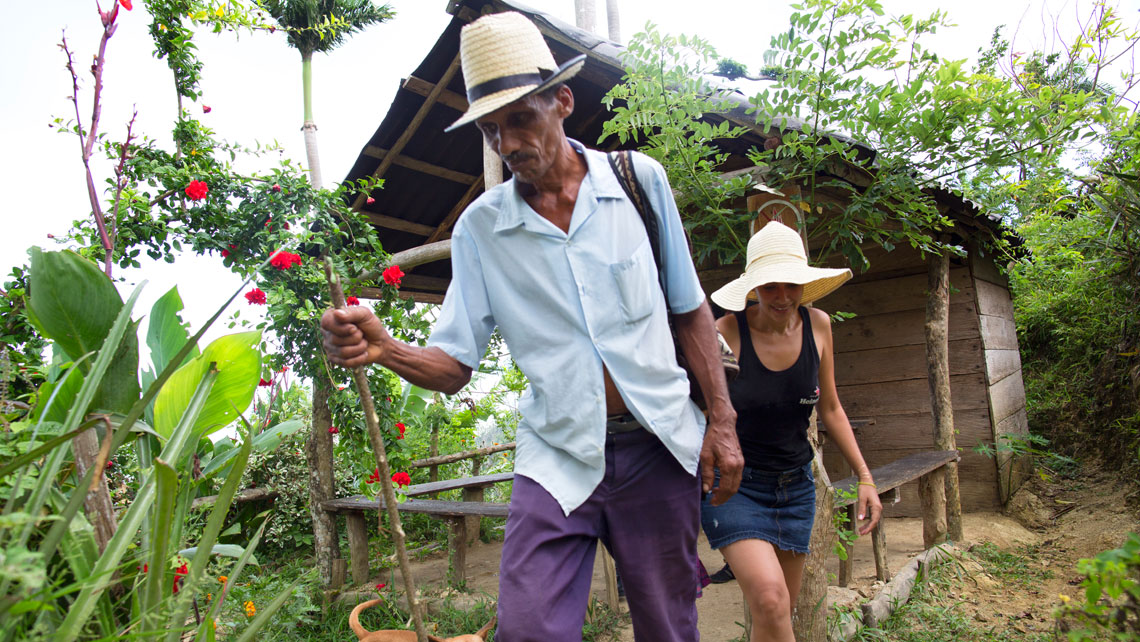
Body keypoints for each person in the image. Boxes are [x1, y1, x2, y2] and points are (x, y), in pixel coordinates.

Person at [320, 12, 743, 642]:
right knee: (528, 629)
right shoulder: (480, 230)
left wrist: (723, 422)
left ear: (562, 101)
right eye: (492, 129)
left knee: (668, 624)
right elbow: (454, 366)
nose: (508, 142)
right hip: (558, 454)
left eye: (521, 117)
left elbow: (689, 311)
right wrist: (385, 348)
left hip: (656, 445)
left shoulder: (637, 183)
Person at [701, 220, 882, 642]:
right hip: (736, 486)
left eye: (791, 285)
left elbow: (831, 407)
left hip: (796, 488)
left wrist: (865, 477)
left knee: (778, 612)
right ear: (753, 289)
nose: (781, 297)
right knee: (769, 600)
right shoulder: (726, 332)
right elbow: (700, 410)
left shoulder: (819, 325)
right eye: (769, 287)